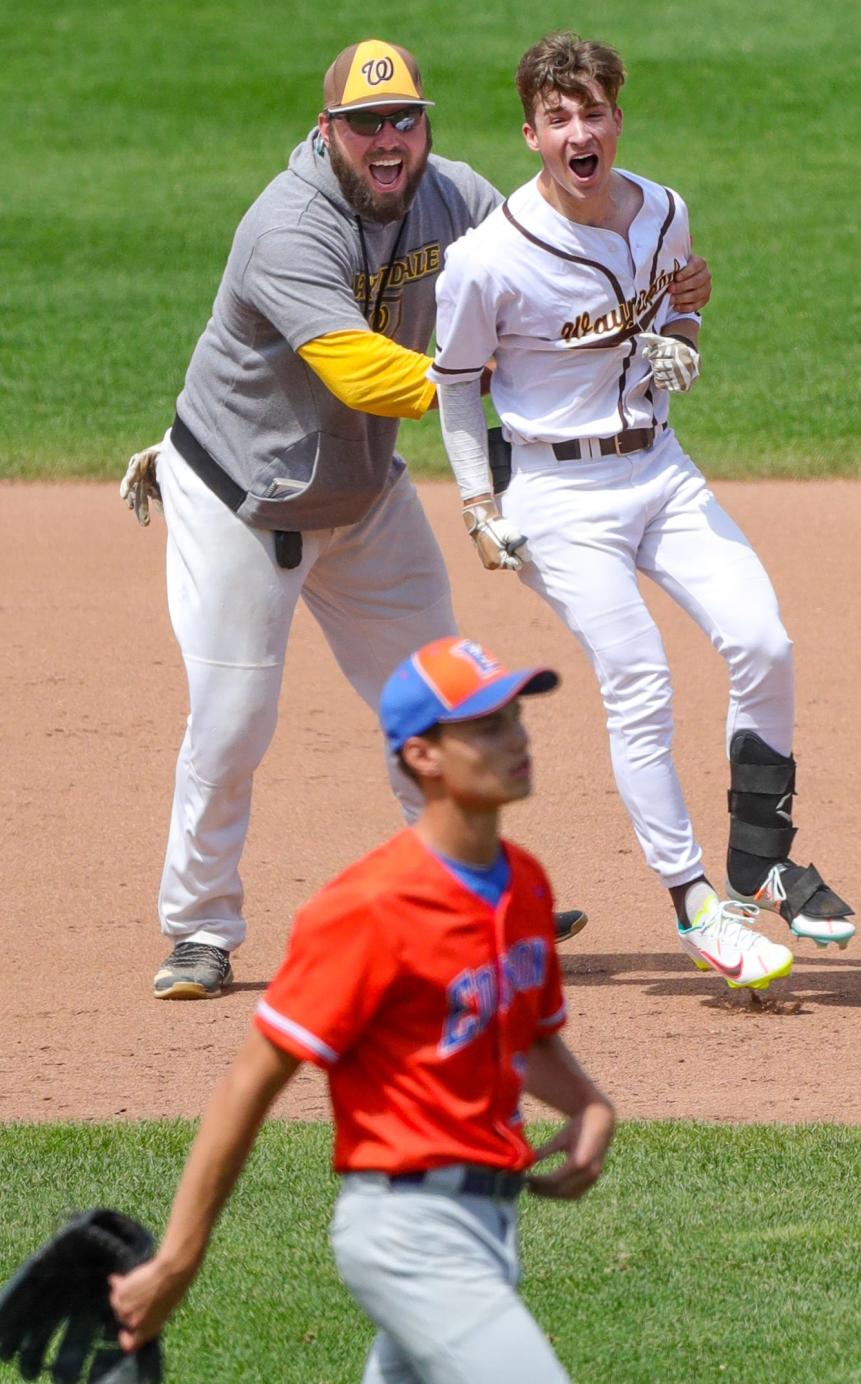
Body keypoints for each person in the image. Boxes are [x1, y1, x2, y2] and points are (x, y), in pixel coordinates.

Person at [120, 36, 714, 1000]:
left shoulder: (457, 195)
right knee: (233, 723)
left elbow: (551, 248)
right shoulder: (286, 228)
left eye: (403, 119)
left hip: (362, 497)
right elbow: (358, 369)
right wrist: (499, 392)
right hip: (242, 498)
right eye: (365, 126)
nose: (387, 141)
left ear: (425, 122)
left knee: (447, 704)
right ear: (329, 134)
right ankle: (199, 930)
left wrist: (659, 288)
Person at [428, 32, 856, 991]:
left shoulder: (663, 209)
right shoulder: (487, 259)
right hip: (558, 496)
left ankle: (758, 858)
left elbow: (675, 312)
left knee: (764, 642)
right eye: (558, 118)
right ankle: (696, 905)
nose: (580, 132)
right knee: (640, 679)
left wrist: (685, 336)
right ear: (531, 133)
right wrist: (477, 504)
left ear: (617, 118)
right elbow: (455, 386)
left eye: (594, 113)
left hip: (660, 470)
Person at [109, 636, 616, 1383]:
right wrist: (179, 1260)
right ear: (423, 757)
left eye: (515, 718)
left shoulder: (527, 886)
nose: (517, 740)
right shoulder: (368, 909)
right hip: (408, 1233)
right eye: (486, 726)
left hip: (490, 1228)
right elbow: (250, 1082)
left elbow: (520, 1033)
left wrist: (589, 1105)